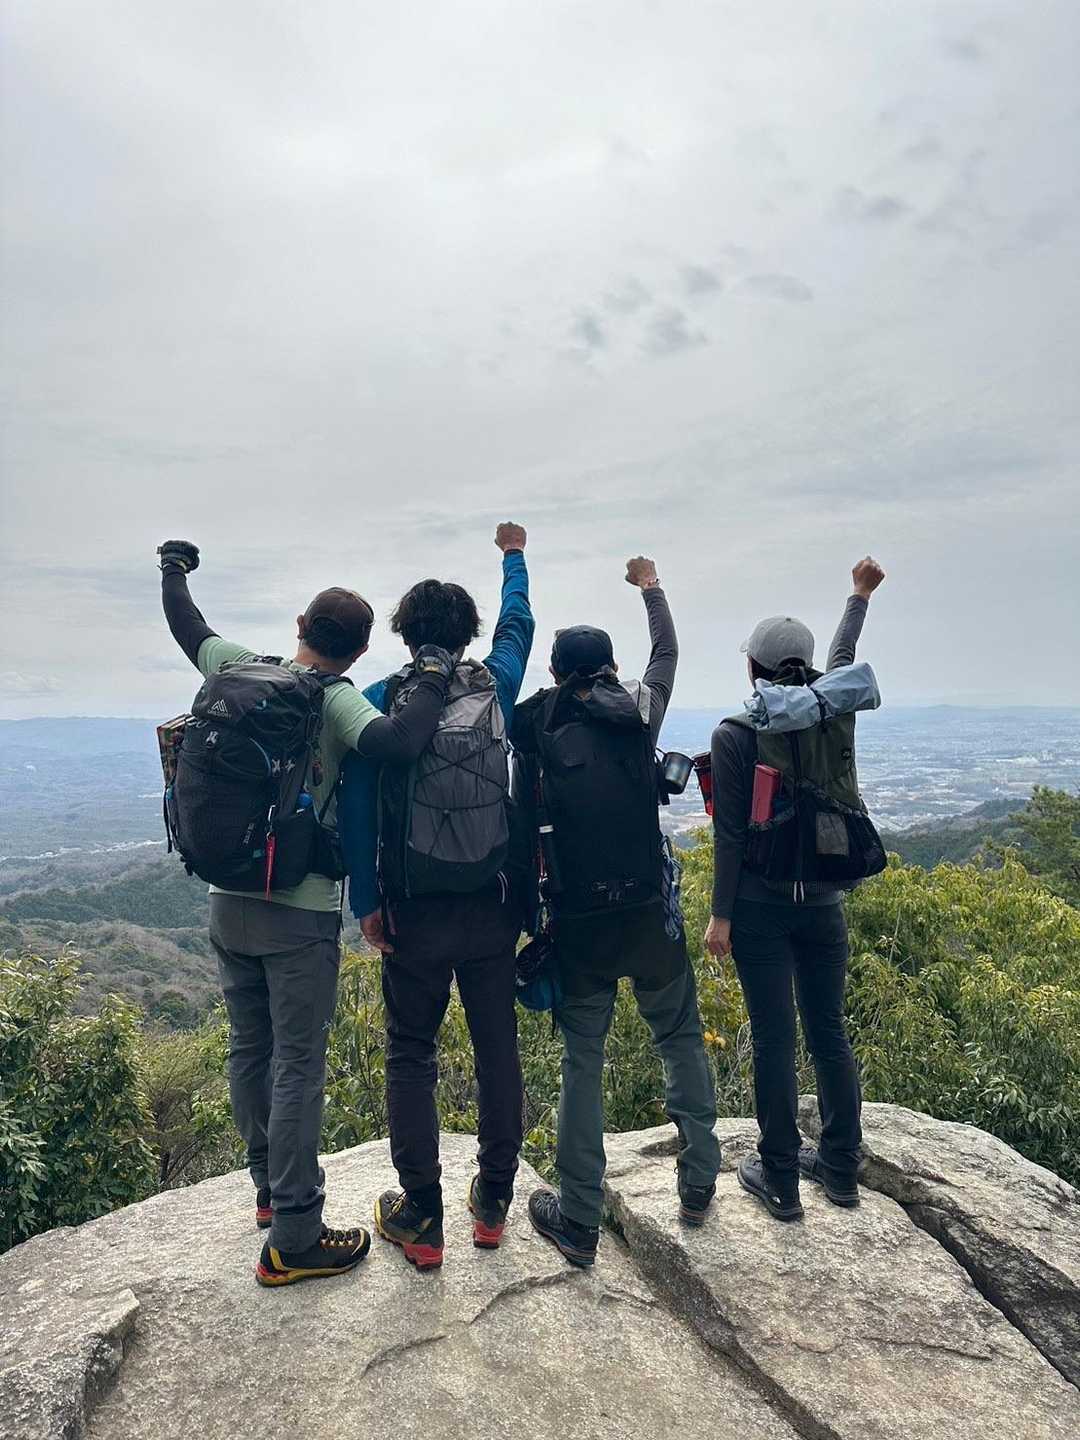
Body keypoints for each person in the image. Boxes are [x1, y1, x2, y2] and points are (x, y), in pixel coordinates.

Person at [158, 539, 454, 1287]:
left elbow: (187, 626)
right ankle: (294, 1234)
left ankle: (267, 1188)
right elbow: (397, 743)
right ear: (359, 651)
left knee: (248, 1050)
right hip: (298, 913)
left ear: (299, 625)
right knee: (297, 1066)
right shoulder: (335, 698)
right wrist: (430, 674)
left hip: (226, 899)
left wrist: (174, 569)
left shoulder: (238, 668)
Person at [512, 556, 722, 1268]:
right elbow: (667, 653)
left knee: (583, 1060)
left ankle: (577, 1218)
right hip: (649, 915)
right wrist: (651, 588)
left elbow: (520, 818)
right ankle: (699, 1184)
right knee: (681, 1038)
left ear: (554, 672)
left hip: (579, 922)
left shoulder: (535, 724)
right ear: (609, 667)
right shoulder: (638, 710)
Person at [338, 522, 535, 1270]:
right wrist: (513, 557)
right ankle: (493, 1203)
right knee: (496, 1048)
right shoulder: (496, 686)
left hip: (413, 911)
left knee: (411, 1052)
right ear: (466, 634)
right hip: (490, 905)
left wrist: (367, 903)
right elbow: (519, 625)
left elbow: (359, 810)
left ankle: (421, 1215)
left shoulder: (383, 702)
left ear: (405, 632)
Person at [704, 556, 886, 1221]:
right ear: (806, 667)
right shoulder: (833, 711)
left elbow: (730, 834)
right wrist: (859, 597)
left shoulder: (736, 733)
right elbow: (844, 659)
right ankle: (840, 1167)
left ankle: (780, 1176)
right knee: (829, 1031)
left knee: (775, 1038)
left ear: (753, 670)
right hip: (825, 905)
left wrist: (720, 917)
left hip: (759, 907)